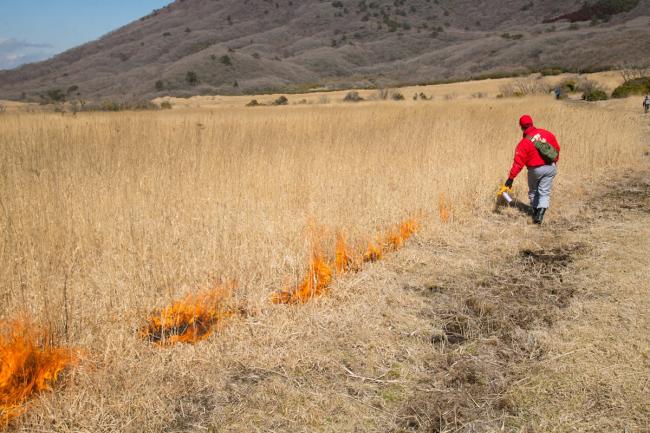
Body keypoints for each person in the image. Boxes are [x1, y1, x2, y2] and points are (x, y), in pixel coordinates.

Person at [504, 115, 560, 225]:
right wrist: (553, 163)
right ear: (532, 123)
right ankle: (540, 214)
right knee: (544, 192)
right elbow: (557, 149)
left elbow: (518, 163)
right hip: (550, 168)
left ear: (521, 127)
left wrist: (510, 178)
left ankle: (535, 213)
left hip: (535, 170)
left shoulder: (524, 143)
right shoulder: (547, 134)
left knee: (533, 191)